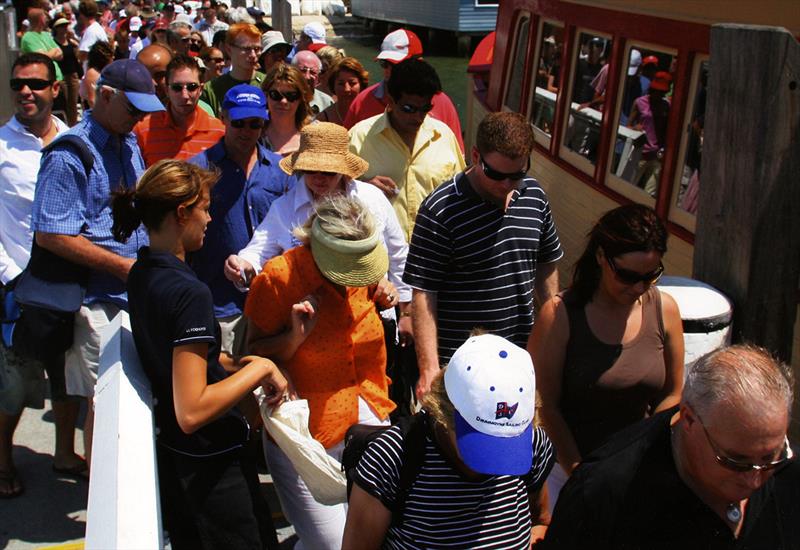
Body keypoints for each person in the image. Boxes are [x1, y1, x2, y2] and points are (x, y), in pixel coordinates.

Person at [113, 159, 286, 550]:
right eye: (205, 208)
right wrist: (260, 369)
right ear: (181, 213)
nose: (209, 219)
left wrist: (237, 364)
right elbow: (191, 410)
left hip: (179, 462)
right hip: (211, 468)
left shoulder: (143, 272)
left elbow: (192, 361)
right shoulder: (189, 293)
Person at [31, 59, 164, 469]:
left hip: (130, 294)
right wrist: (121, 267)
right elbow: (51, 234)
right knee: (104, 406)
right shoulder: (68, 155)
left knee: (130, 401)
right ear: (104, 96)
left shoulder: (125, 141)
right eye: (133, 109)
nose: (139, 118)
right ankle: (103, 496)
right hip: (98, 300)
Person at [245, 194, 398, 549]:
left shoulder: (359, 270)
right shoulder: (280, 277)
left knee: (371, 540)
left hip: (368, 424)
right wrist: (294, 338)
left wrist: (383, 290)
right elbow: (252, 354)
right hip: (308, 441)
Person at [542, 345, 798, 549]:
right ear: (688, 418)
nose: (754, 480)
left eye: (770, 458)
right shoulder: (603, 495)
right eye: (734, 461)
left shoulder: (790, 474)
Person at [529, 203, 684, 510]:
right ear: (601, 257)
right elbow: (544, 404)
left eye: (651, 275)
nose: (639, 287)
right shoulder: (560, 315)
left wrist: (641, 450)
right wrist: (581, 473)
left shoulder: (664, 309)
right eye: (627, 276)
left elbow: (673, 393)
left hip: (634, 471)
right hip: (566, 471)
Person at [403, 111, 561, 401]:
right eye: (496, 174)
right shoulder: (440, 210)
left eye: (516, 174)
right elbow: (424, 293)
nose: (506, 184)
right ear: (476, 156)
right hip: (461, 369)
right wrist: (428, 369)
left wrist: (555, 330)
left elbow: (546, 263)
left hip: (519, 362)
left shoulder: (535, 198)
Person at [343, 333, 555, 549]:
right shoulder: (393, 456)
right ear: (444, 411)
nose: (495, 466)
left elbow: (539, 523)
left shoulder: (532, 445)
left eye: (507, 444)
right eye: (483, 442)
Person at [225, 121, 411, 341]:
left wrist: (406, 311)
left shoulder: (373, 199)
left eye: (329, 172)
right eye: (312, 170)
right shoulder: (284, 207)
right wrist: (243, 265)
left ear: (343, 170)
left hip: (372, 321)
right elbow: (259, 250)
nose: (320, 178)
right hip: (309, 327)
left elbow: (398, 254)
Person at [0, 53, 85, 499]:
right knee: (14, 384)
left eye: (35, 84)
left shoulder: (74, 142)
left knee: (66, 374)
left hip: (67, 283)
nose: (25, 92)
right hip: (16, 284)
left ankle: (65, 453)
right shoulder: (0, 146)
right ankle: (2, 458)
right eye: (18, 84)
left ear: (55, 89)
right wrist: (10, 275)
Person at [188, 84, 295, 356]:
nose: (247, 131)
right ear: (223, 118)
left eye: (255, 124)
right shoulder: (197, 170)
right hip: (219, 302)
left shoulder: (282, 172)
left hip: (272, 301)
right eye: (239, 123)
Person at [348, 58, 465, 242]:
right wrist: (363, 188)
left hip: (435, 254)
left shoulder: (445, 136)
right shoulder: (358, 138)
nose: (418, 117)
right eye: (409, 108)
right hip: (381, 255)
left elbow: (461, 195)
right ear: (391, 101)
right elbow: (335, 196)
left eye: (425, 109)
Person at [343, 28, 464, 152]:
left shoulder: (443, 103)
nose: (389, 70)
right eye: (385, 64)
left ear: (419, 63)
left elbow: (457, 153)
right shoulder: (362, 102)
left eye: (398, 65)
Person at [135, 54, 225, 166]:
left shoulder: (219, 132)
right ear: (167, 90)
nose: (184, 95)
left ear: (201, 89)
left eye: (192, 87)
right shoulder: (143, 130)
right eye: (177, 87)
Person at [200, 23, 264, 117]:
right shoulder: (211, 89)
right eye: (246, 49)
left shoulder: (268, 84)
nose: (253, 55)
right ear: (229, 49)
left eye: (257, 49)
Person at [628, 71, 672, 196]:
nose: (657, 94)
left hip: (657, 155)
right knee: (631, 184)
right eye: (655, 91)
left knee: (650, 192)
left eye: (661, 92)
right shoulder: (639, 102)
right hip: (640, 152)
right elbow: (628, 125)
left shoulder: (667, 106)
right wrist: (634, 128)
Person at [259, 63, 312, 155]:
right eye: (276, 95)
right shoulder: (254, 130)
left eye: (291, 95)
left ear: (301, 99)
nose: (283, 101)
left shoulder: (313, 135)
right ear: (266, 95)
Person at [317, 57, 368, 126]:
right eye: (341, 84)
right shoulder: (323, 119)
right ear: (333, 86)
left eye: (352, 83)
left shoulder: (371, 112)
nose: (347, 89)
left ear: (361, 84)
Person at [20, 8, 64, 85]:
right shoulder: (28, 37)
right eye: (45, 17)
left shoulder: (46, 35)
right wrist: (53, 51)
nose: (47, 19)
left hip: (58, 78)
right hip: (44, 81)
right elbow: (42, 57)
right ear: (41, 19)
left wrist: (48, 54)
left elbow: (60, 53)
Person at [52, 17, 82, 126]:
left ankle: (73, 125)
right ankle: (65, 124)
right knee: (65, 101)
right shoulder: (53, 43)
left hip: (73, 75)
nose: (65, 28)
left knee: (73, 103)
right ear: (57, 29)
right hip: (62, 76)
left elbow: (77, 57)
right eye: (62, 26)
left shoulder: (70, 42)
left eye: (66, 26)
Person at [291, 50, 333, 116]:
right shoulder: (281, 99)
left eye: (313, 72)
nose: (307, 77)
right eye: (303, 70)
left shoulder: (327, 103)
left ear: (318, 76)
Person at [78, 39, 113, 108]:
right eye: (111, 55)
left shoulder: (105, 72)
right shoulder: (93, 73)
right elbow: (92, 100)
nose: (113, 57)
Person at [77, 0, 108, 66]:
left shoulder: (91, 31)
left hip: (95, 72)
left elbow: (82, 55)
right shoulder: (95, 28)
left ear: (81, 14)